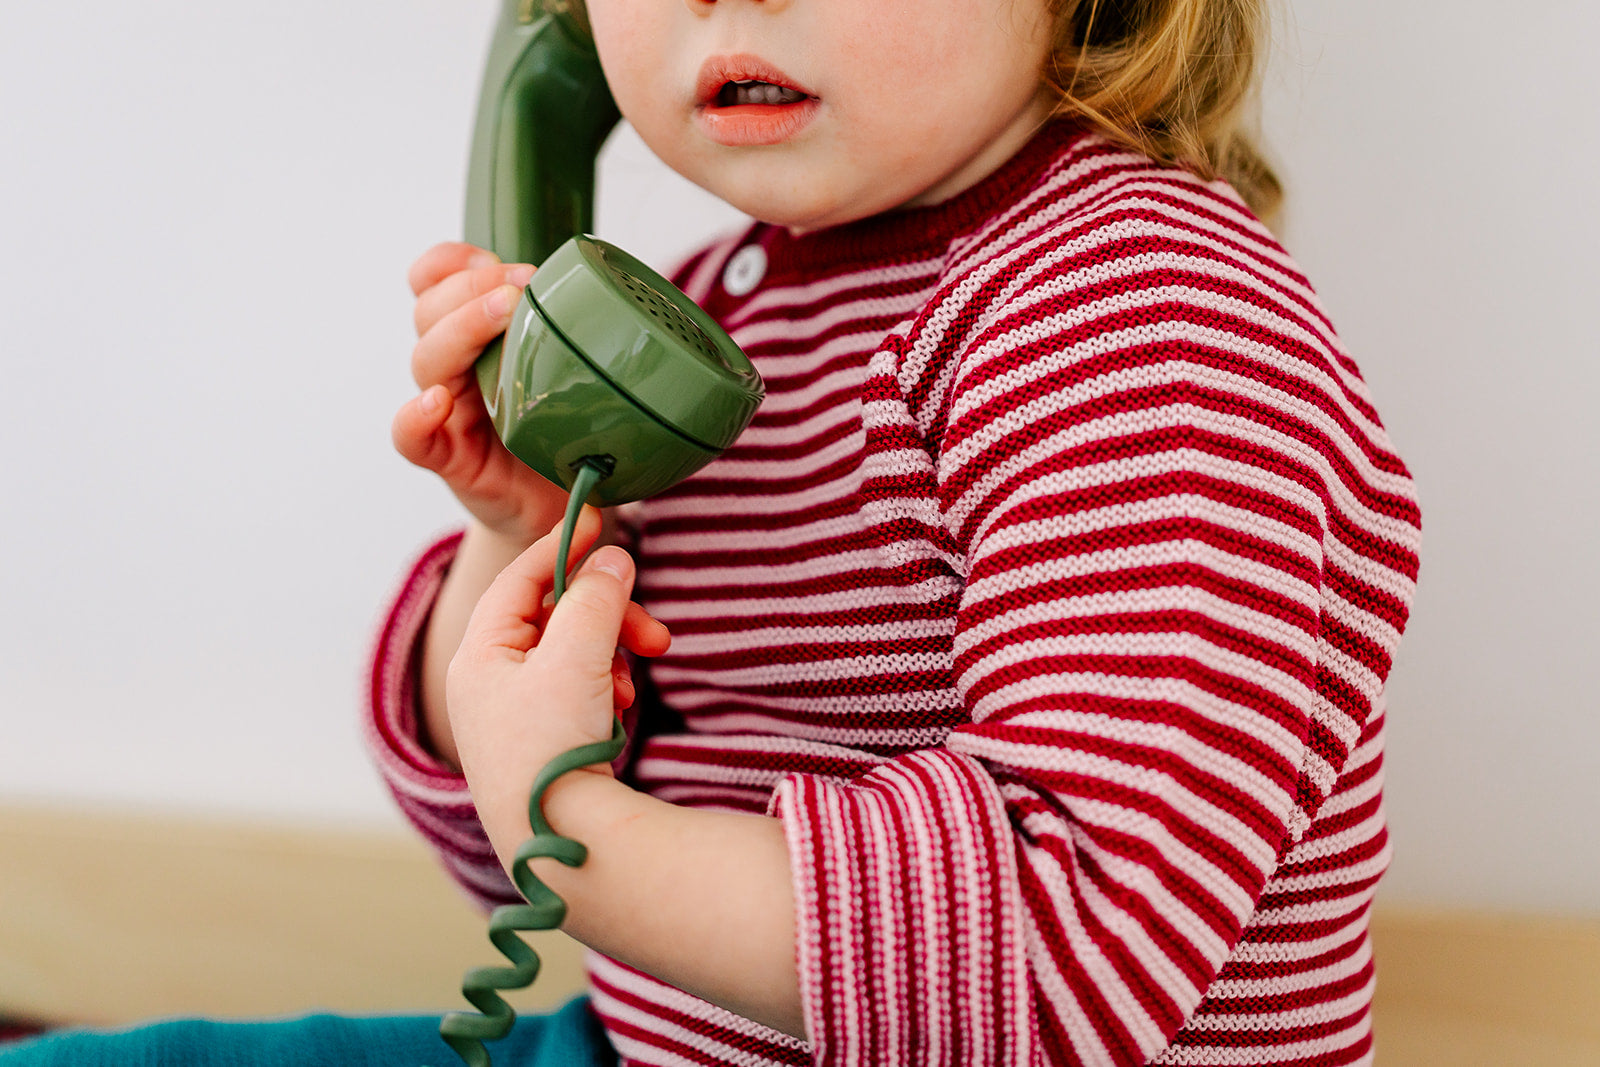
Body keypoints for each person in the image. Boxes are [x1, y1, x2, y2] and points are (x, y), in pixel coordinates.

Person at [3, 0, 1421, 1064]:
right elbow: (513, 871)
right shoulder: (708, 319)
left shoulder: (1139, 320)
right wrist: (521, 538)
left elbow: (1060, 950)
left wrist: (578, 829)